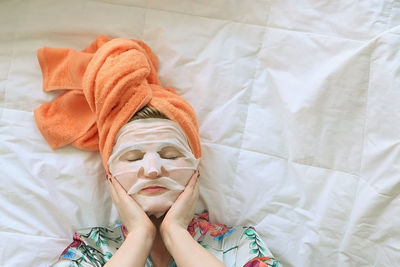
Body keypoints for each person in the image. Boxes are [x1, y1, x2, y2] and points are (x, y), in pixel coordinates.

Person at [34, 35, 282, 267]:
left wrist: (176, 234)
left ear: (196, 168)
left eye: (171, 155)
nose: (152, 170)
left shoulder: (239, 244)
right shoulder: (89, 250)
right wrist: (140, 237)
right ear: (110, 174)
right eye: (132, 157)